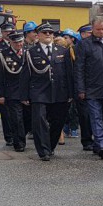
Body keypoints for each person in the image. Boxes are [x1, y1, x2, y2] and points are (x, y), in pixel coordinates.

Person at [24, 23, 75, 160]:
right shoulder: (31, 52)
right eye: (45, 32)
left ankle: (50, 145)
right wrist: (24, 95)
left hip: (59, 92)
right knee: (39, 121)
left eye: (50, 33)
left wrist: (71, 93)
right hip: (39, 92)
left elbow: (69, 74)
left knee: (58, 121)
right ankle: (43, 151)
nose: (48, 35)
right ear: (38, 35)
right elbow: (25, 75)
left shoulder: (62, 51)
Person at [75, 17, 103, 159]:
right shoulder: (84, 44)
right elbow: (79, 68)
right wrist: (81, 89)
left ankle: (98, 144)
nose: (101, 32)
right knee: (96, 118)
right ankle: (102, 146)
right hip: (91, 89)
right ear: (93, 29)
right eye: (98, 29)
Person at [0, 30, 28, 151]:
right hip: (12, 92)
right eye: (16, 42)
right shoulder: (3, 54)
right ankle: (19, 143)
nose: (19, 44)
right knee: (16, 118)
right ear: (10, 42)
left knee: (27, 118)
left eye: (21, 41)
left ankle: (21, 136)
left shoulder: (28, 52)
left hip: (28, 92)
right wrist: (0, 95)